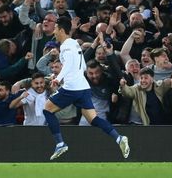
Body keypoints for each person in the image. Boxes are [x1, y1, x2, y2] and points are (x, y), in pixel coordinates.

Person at [43, 16, 129, 160]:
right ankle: (119, 138)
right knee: (93, 119)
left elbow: (70, 63)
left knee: (47, 109)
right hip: (83, 87)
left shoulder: (65, 45)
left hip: (72, 88)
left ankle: (60, 144)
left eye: (56, 29)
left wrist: (58, 78)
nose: (54, 32)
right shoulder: (75, 44)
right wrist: (60, 76)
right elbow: (82, 66)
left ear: (62, 30)